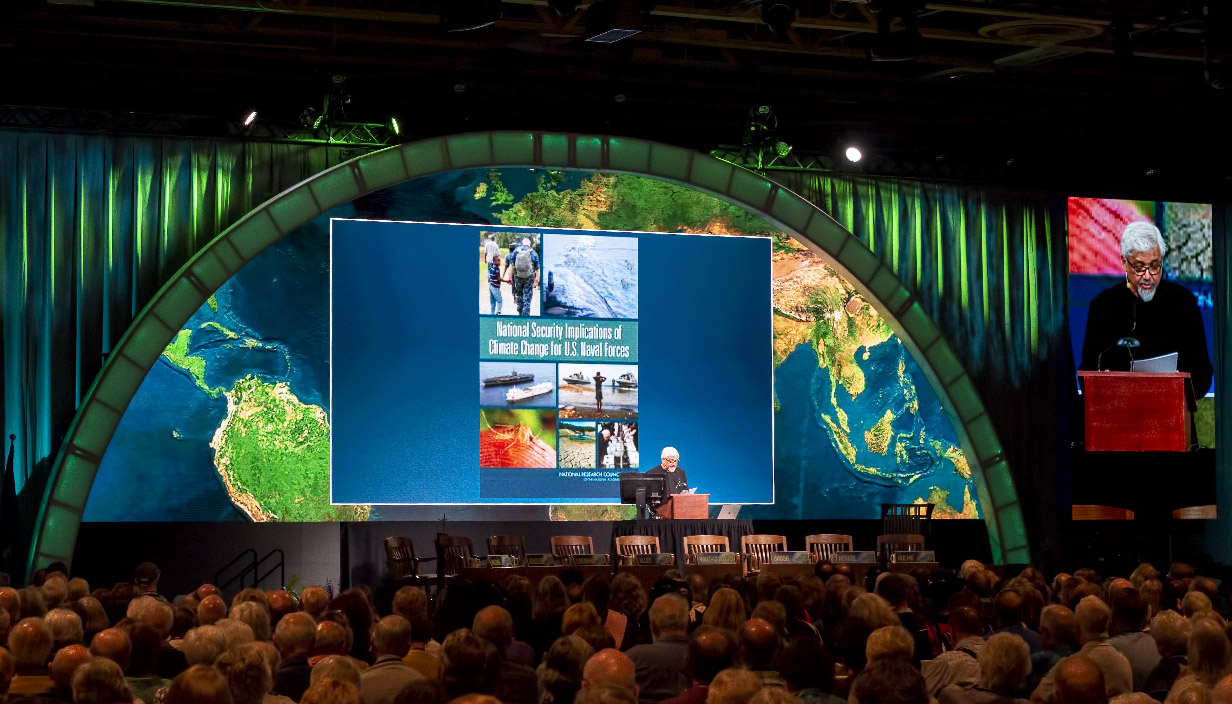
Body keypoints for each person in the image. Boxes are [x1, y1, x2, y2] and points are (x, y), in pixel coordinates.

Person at [1079, 221, 1212, 399]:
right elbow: (1087, 371)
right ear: (1124, 263)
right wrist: (1103, 384)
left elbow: (1203, 374)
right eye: (1140, 267)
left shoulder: (1183, 303)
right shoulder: (1103, 306)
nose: (1148, 276)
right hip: (1118, 417)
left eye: (1155, 266)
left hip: (1172, 416)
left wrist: (1182, 385)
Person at [502, 237, 539, 317]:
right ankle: (525, 314)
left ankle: (519, 308)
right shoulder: (533, 252)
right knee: (527, 294)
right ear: (529, 244)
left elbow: (511, 265)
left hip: (518, 276)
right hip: (529, 277)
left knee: (519, 293)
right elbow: (537, 268)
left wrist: (509, 277)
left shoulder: (516, 251)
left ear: (522, 243)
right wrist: (537, 279)